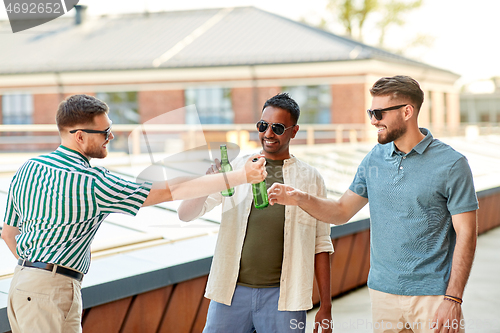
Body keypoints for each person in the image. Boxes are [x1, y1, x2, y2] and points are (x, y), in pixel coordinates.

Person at [1, 94, 266, 333]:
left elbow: (9, 232)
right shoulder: (90, 181)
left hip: (26, 284)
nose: (111, 137)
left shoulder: (28, 167)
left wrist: (34, 270)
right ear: (79, 136)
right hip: (50, 291)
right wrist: (242, 175)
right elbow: (168, 191)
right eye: (105, 132)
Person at [268, 76, 478, 333]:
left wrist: (453, 299)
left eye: (378, 113)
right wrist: (299, 197)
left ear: (407, 111)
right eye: (370, 112)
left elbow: (467, 234)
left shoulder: (452, 164)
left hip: (433, 296)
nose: (373, 120)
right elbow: (341, 211)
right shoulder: (374, 159)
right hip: (382, 295)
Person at [178, 93, 334, 333]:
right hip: (230, 294)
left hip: (285, 299)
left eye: (278, 127)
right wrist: (209, 181)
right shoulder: (238, 168)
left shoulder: (310, 179)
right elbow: (185, 214)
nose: (268, 133)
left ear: (294, 131)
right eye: (263, 125)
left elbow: (321, 244)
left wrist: (326, 306)